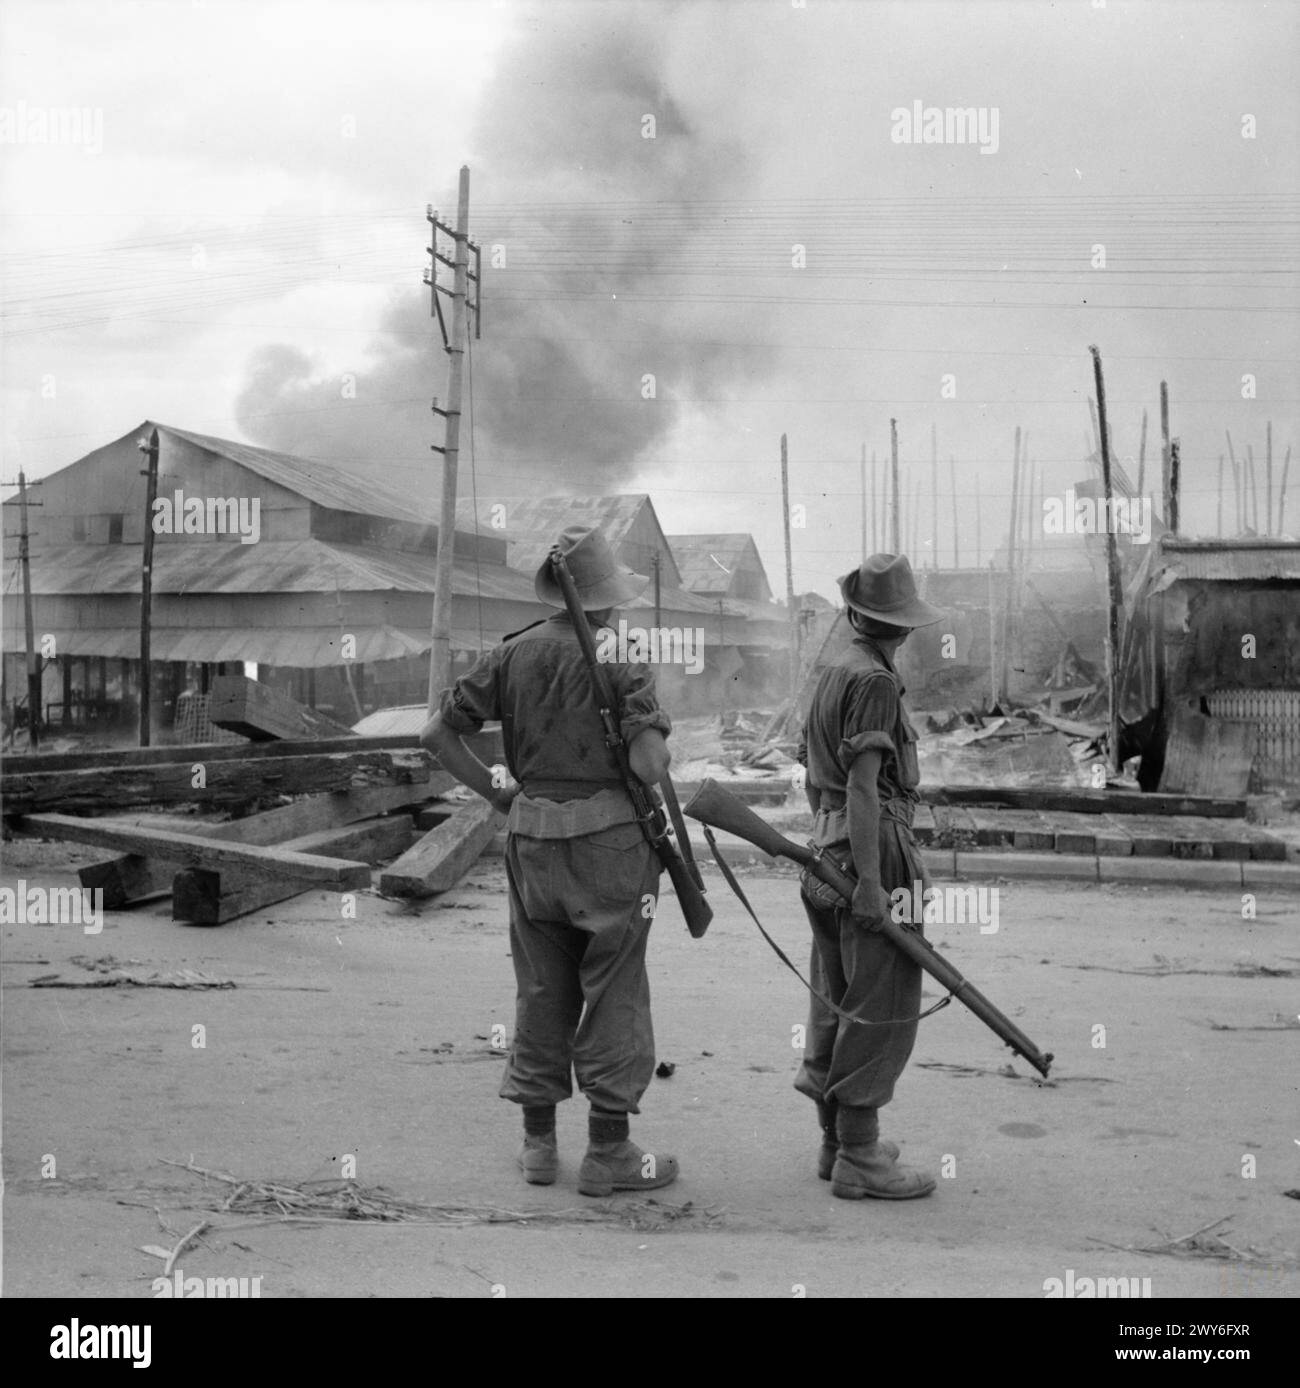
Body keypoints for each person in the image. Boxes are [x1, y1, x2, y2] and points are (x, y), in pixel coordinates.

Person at [420, 525, 680, 1198]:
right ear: (607, 597)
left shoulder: (512, 655)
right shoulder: (621, 656)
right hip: (611, 847)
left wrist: (501, 792)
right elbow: (649, 765)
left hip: (532, 841)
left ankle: (538, 1148)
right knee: (615, 990)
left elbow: (436, 733)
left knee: (541, 989)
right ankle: (608, 1153)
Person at [795, 553, 944, 1200]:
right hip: (869, 849)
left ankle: (836, 1143)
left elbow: (814, 775)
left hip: (825, 845)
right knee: (879, 1004)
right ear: (904, 628)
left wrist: (835, 851)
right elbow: (863, 788)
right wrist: (871, 881)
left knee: (836, 995)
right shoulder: (876, 683)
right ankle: (860, 1157)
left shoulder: (831, 670)